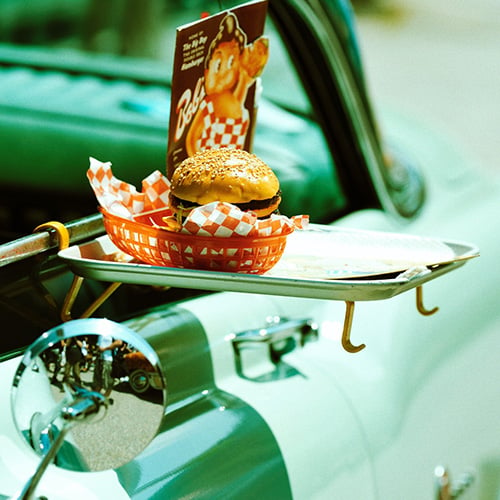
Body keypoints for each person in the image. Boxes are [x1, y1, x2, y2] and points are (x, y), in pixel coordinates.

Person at [185, 13, 268, 156]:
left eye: (231, 63)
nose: (222, 73)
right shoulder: (208, 105)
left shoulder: (241, 110)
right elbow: (192, 140)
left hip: (232, 172)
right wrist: (196, 167)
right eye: (217, 64)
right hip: (204, 172)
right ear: (206, 70)